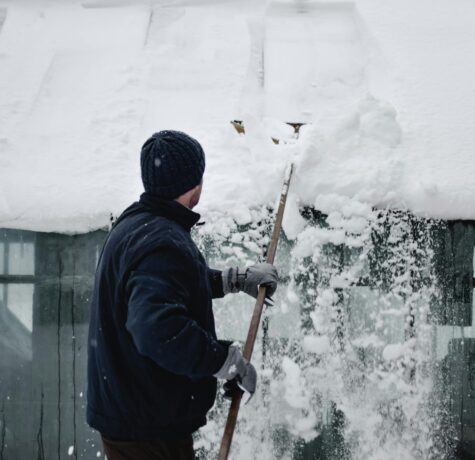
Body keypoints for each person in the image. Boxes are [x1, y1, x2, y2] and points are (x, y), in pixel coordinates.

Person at [87, 130, 278, 460]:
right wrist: (223, 361)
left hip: (135, 415)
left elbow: (171, 284)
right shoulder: (161, 240)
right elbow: (157, 329)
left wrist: (233, 280)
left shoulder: (137, 225)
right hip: (147, 431)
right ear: (196, 183)